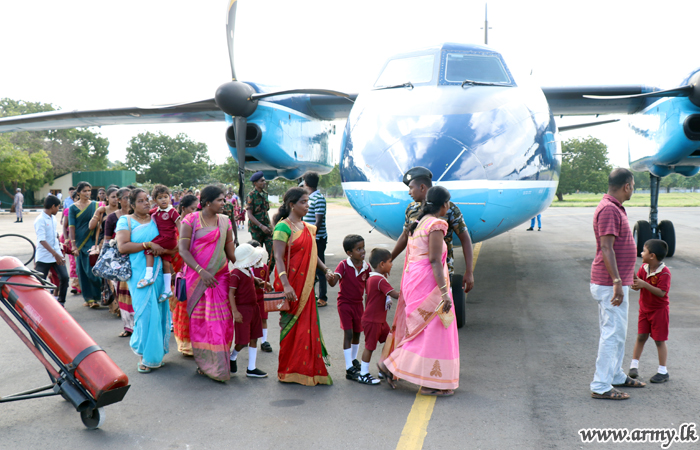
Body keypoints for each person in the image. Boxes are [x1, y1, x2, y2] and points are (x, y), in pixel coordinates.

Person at [378, 186, 460, 396]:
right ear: (443, 205)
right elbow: (434, 260)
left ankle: (392, 365)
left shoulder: (418, 222)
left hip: (414, 280)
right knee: (433, 332)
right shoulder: (436, 224)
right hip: (429, 284)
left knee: (421, 331)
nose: (448, 207)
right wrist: (444, 293)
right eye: (448, 203)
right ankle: (430, 383)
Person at [589, 168, 646, 400]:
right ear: (627, 186)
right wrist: (616, 280)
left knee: (618, 332)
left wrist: (626, 272)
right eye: (633, 185)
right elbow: (606, 247)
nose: (633, 188)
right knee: (612, 334)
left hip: (617, 281)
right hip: (609, 283)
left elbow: (620, 247)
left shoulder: (614, 207)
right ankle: (601, 385)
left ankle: (616, 375)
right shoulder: (609, 210)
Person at [272, 187, 333, 386]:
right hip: (291, 287)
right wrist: (286, 285)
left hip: (306, 286)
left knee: (307, 327)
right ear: (292, 204)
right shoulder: (283, 228)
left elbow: (313, 255)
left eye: (308, 202)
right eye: (304, 202)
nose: (308, 205)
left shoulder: (308, 228)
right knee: (290, 327)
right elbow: (278, 258)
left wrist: (326, 271)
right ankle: (288, 370)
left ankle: (307, 370)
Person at [178, 185, 237, 382]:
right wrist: (202, 272)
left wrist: (246, 270)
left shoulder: (225, 222)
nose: (224, 203)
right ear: (207, 202)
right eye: (220, 200)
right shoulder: (190, 220)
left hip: (220, 278)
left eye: (224, 200)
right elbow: (183, 251)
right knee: (201, 323)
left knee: (222, 322)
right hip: (197, 279)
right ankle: (205, 363)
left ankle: (219, 366)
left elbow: (230, 253)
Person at [390, 167, 474, 294]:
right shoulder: (411, 208)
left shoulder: (448, 208)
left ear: (422, 187)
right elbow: (404, 236)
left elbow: (465, 239)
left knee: (440, 309)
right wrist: (389, 260)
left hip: (442, 271)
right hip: (418, 272)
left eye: (411, 188)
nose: (409, 192)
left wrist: (469, 271)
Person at [116, 188, 170, 373]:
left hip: (159, 271)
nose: (146, 203)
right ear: (131, 205)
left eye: (147, 200)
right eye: (141, 201)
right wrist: (147, 245)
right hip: (139, 275)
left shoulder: (157, 217)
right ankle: (144, 357)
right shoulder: (126, 220)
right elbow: (122, 246)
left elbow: (170, 236)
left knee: (160, 311)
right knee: (145, 314)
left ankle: (156, 354)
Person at [327, 234, 371, 381]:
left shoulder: (366, 267)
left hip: (359, 304)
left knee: (358, 333)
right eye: (358, 249)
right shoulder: (344, 265)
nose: (363, 251)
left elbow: (370, 286)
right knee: (349, 334)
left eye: (363, 247)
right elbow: (334, 283)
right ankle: (348, 368)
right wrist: (330, 277)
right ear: (349, 253)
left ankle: (353, 360)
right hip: (345, 304)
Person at [629, 239, 671, 383]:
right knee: (641, 336)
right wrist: (636, 285)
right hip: (644, 309)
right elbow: (638, 283)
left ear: (652, 255)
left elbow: (661, 292)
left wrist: (644, 284)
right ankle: (633, 366)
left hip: (659, 311)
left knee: (659, 340)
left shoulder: (664, 273)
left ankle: (662, 371)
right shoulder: (644, 268)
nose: (641, 253)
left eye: (643, 250)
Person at [358, 248, 399, 385]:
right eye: (390, 262)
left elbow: (367, 297)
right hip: (373, 321)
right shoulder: (380, 280)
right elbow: (395, 294)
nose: (392, 264)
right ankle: (363, 373)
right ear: (382, 264)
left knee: (389, 341)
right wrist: (410, 294)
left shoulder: (373, 277)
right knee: (369, 347)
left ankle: (383, 367)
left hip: (378, 320)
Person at [229, 244, 268, 378]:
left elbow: (253, 281)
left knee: (254, 337)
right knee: (242, 341)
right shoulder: (236, 273)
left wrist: (261, 283)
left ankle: (251, 368)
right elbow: (231, 293)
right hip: (243, 309)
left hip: (254, 307)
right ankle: (232, 357)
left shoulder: (247, 270)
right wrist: (235, 311)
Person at [138, 185, 181, 303]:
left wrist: (181, 238)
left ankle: (148, 276)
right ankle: (167, 290)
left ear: (170, 198)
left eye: (166, 197)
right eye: (160, 198)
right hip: (165, 240)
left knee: (148, 248)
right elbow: (145, 213)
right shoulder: (156, 211)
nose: (164, 200)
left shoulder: (172, 211)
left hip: (168, 239)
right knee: (166, 263)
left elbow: (179, 224)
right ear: (155, 200)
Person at [169, 194, 199, 355]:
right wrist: (172, 271)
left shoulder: (197, 225)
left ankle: (191, 343)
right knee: (180, 305)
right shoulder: (172, 226)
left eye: (197, 209)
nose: (195, 212)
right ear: (182, 209)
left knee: (189, 307)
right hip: (176, 269)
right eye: (192, 209)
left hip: (192, 271)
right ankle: (185, 343)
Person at [105, 188, 134, 336]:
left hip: (137, 258)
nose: (129, 201)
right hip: (119, 261)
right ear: (120, 200)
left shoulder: (142, 216)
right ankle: (128, 327)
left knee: (136, 293)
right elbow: (107, 240)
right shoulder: (112, 218)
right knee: (122, 294)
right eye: (127, 198)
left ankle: (139, 326)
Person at [69, 182, 102, 308]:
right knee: (82, 272)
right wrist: (73, 245)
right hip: (80, 242)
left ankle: (100, 296)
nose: (88, 193)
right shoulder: (73, 208)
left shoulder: (96, 206)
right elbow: (71, 227)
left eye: (89, 190)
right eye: (84, 191)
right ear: (78, 192)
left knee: (93, 272)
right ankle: (89, 299)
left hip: (93, 242)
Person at [34, 196, 69, 306]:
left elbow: (54, 236)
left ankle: (61, 302)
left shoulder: (53, 218)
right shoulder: (40, 220)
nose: (58, 209)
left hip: (56, 254)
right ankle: (39, 304)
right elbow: (42, 240)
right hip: (44, 256)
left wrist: (59, 252)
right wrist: (55, 254)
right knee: (39, 282)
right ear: (53, 206)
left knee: (64, 277)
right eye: (58, 207)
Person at [302, 172, 329, 307]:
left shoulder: (318, 198)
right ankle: (312, 295)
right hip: (309, 237)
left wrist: (310, 236)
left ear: (306, 183)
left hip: (317, 238)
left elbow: (318, 222)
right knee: (308, 267)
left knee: (319, 267)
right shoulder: (308, 198)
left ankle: (323, 297)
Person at [249, 240, 273, 353]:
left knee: (263, 319)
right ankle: (248, 339)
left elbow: (267, 282)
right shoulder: (247, 268)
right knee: (250, 320)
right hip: (250, 299)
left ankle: (264, 341)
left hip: (262, 298)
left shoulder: (264, 267)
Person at [246, 171, 273, 266]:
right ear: (255, 183)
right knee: (257, 255)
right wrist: (261, 226)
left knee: (273, 254)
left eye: (264, 181)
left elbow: (266, 210)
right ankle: (258, 277)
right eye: (261, 181)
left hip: (267, 228)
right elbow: (249, 214)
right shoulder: (251, 195)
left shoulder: (265, 194)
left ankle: (266, 275)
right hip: (256, 229)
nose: (264, 182)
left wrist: (269, 226)